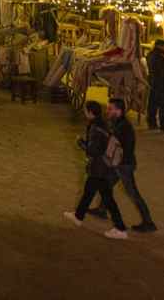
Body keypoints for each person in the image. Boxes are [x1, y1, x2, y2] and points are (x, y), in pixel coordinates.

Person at [63, 100, 128, 239]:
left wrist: (81, 143)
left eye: (86, 110)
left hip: (100, 168)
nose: (84, 112)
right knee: (89, 192)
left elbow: (93, 151)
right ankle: (78, 216)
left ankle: (120, 228)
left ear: (90, 113)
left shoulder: (96, 128)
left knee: (107, 198)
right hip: (102, 167)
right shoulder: (102, 124)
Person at [92, 98, 156, 232]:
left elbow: (114, 146)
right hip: (121, 163)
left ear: (118, 110)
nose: (107, 111)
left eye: (110, 109)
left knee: (133, 194)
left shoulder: (123, 126)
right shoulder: (119, 123)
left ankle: (149, 222)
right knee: (106, 185)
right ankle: (102, 209)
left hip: (123, 165)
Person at [145, 39, 164, 132]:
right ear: (160, 46)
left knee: (152, 103)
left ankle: (151, 123)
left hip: (152, 82)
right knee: (162, 105)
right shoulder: (160, 56)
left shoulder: (150, 55)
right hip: (161, 83)